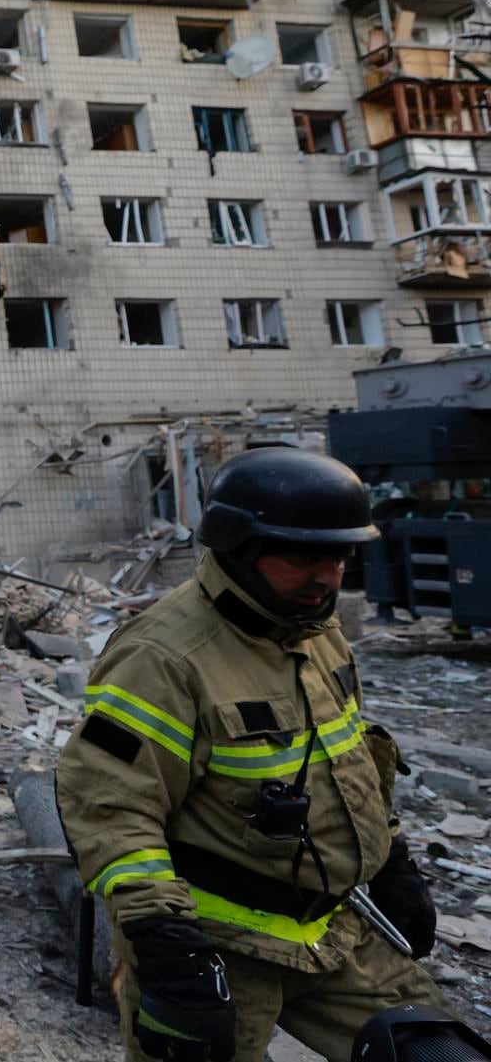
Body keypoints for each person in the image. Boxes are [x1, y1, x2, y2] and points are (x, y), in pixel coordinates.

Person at [56, 447, 444, 1061]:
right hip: (216, 943)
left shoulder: (316, 627)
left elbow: (350, 758)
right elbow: (107, 805)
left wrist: (391, 859)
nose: (327, 576)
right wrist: (162, 940)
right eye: (301, 557)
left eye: (339, 557)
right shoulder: (163, 657)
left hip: (335, 929)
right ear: (239, 547)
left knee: (441, 1052)